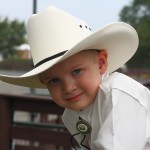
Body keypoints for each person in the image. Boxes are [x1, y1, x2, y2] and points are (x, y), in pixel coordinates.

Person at [0, 6, 150, 150]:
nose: (68, 87)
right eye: (54, 80)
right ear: (44, 83)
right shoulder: (71, 115)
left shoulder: (118, 95)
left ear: (101, 63)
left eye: (77, 71)